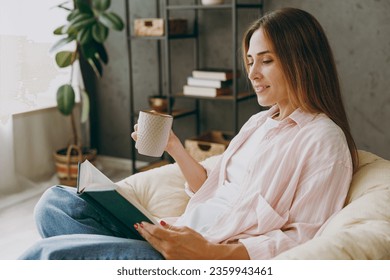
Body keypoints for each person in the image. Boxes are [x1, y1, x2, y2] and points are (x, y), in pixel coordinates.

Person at [19, 7, 358, 260]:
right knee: (54, 204)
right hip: (174, 233)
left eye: (266, 61)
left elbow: (305, 238)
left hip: (198, 256)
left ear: (302, 61)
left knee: (45, 255)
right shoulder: (259, 123)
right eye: (250, 61)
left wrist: (211, 252)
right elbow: (210, 188)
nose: (253, 73)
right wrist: (174, 147)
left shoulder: (323, 141)